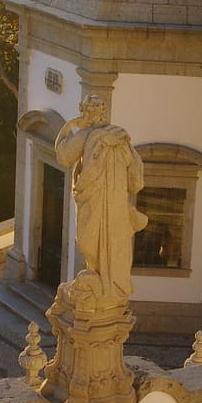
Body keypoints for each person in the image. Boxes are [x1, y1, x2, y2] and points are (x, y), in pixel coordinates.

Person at [52, 93, 147, 303]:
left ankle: (108, 286)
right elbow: (136, 180)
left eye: (89, 111)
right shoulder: (111, 136)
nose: (89, 114)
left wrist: (69, 125)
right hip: (98, 200)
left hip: (109, 202)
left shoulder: (107, 137)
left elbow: (62, 156)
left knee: (91, 241)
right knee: (88, 242)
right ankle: (103, 282)